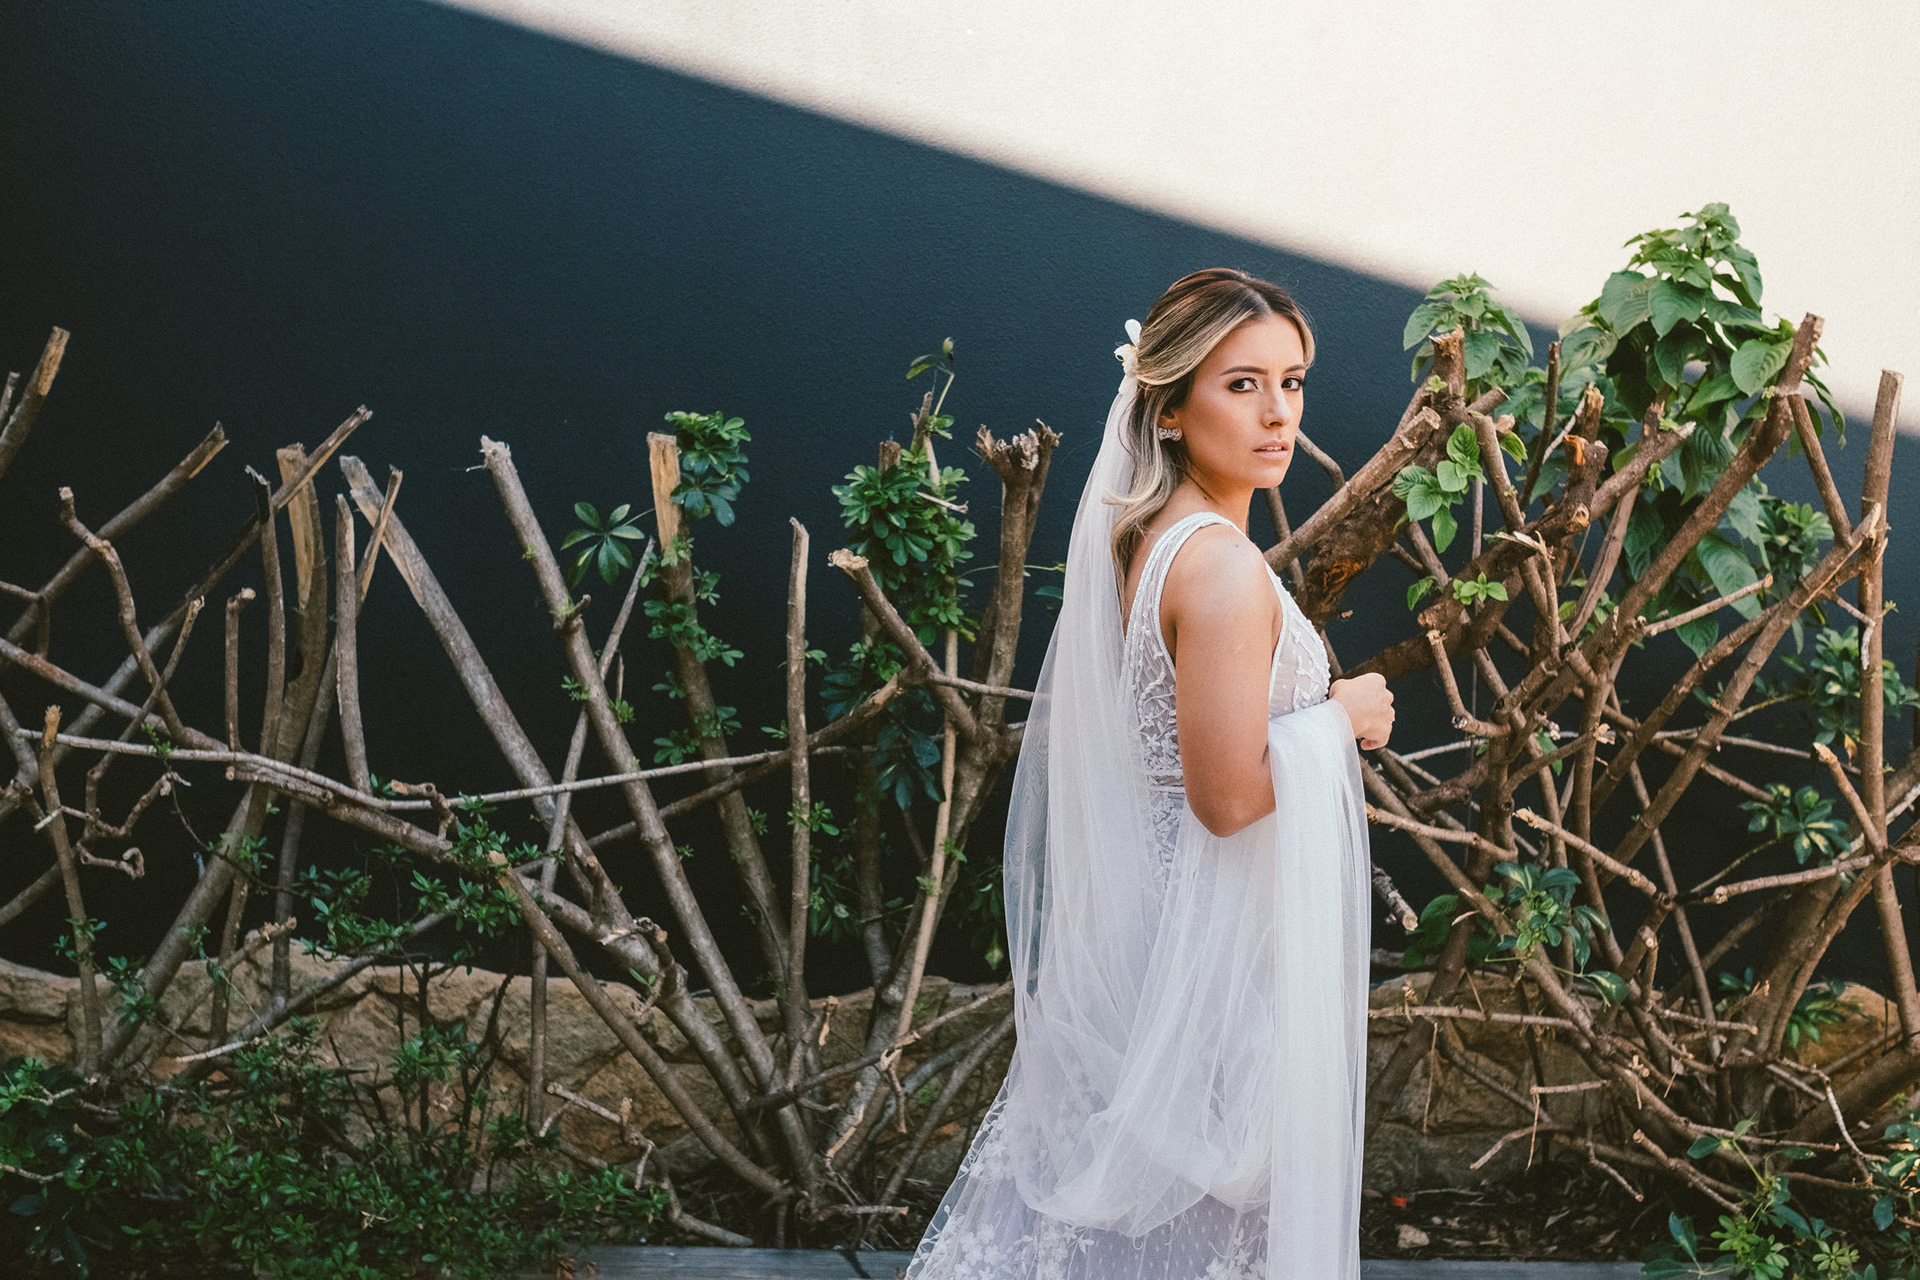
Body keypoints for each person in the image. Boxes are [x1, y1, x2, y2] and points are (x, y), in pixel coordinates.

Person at [900, 268, 1392, 1280]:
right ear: (1168, 408)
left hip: (1173, 926)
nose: (1278, 414)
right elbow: (1227, 798)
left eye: (1291, 382)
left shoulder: (1154, 539)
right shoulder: (1219, 569)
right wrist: (1340, 721)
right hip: (1209, 943)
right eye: (1242, 384)